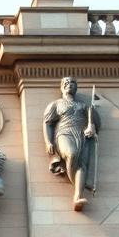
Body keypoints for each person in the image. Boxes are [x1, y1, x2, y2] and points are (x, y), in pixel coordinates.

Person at [42, 76, 100, 211]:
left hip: (81, 134)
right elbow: (47, 123)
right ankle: (83, 183)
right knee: (72, 154)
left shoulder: (84, 106)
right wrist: (48, 141)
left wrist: (91, 126)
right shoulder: (56, 104)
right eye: (66, 83)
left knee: (82, 164)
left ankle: (78, 195)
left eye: (73, 82)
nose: (70, 85)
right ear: (62, 87)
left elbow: (95, 123)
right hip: (64, 133)